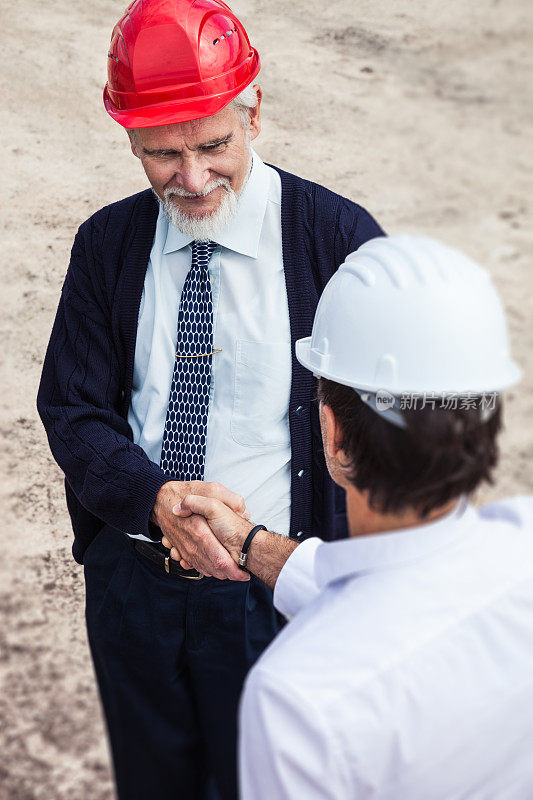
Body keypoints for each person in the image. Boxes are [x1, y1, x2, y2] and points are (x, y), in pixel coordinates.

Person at [35, 0, 384, 797]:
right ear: (126, 134)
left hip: (277, 593)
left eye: (213, 145)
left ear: (253, 110)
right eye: (161, 154)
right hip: (135, 590)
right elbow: (72, 410)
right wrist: (152, 497)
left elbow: (394, 437)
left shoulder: (340, 241)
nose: (190, 180)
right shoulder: (106, 244)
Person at [181, 235, 533, 799]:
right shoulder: (522, 541)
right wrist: (249, 542)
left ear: (333, 430)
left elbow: (381, 609)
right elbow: (400, 589)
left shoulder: (298, 699)